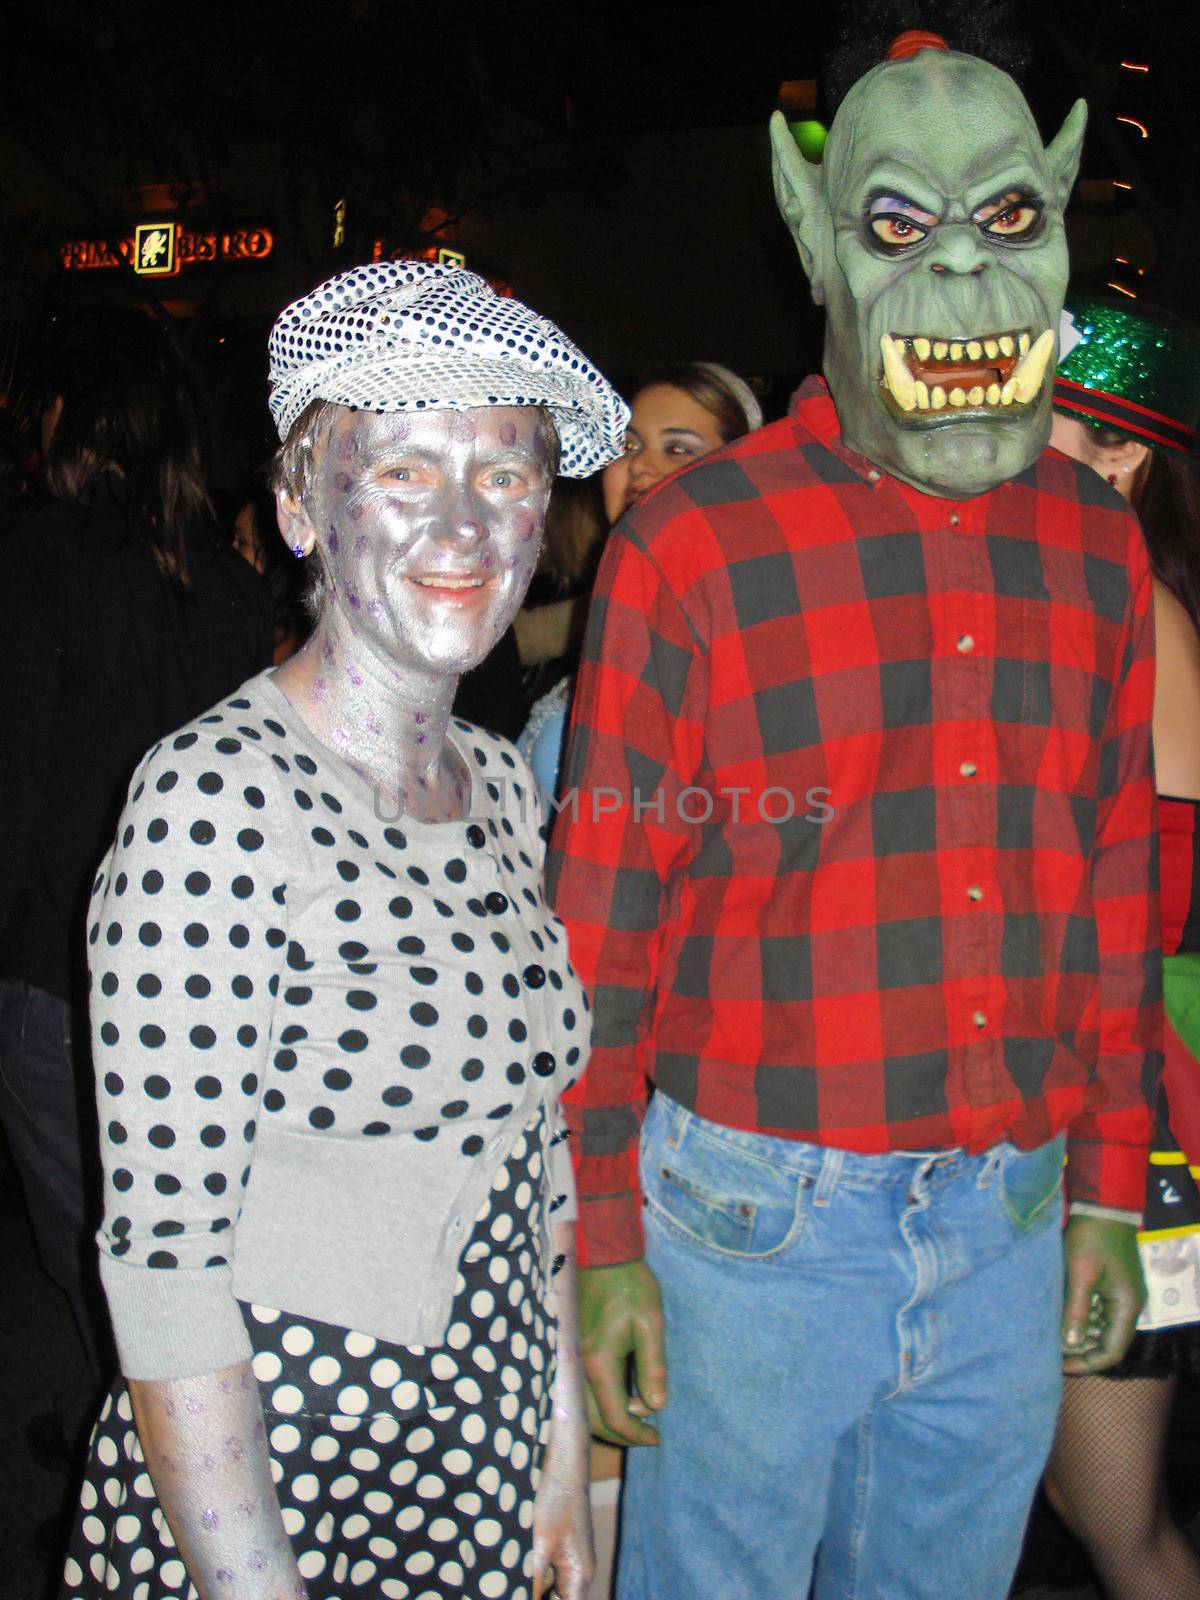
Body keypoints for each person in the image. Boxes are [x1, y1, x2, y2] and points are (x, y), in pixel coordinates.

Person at [548, 31, 1160, 1600]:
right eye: (900, 227)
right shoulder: (693, 546)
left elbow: (1113, 880)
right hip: (756, 1228)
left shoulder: (1093, 544)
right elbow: (600, 928)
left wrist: (1106, 1189)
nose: (965, 273)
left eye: (1011, 219)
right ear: (814, 231)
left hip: (1013, 1211)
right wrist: (600, 1239)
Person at [59, 260, 628, 1600]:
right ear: (301, 508)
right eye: (405, 468)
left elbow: (534, 1156)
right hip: (285, 1482)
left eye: (504, 472)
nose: (466, 521)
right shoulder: (215, 805)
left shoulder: (495, 781)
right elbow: (167, 1277)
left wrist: (561, 1461)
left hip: (478, 1445)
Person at [0, 309, 271, 1471]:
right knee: (177, 1238)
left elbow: (12, 778)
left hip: (58, 967)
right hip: (206, 979)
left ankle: (149, 1462)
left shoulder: (39, 561)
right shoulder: (235, 588)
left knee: (96, 1242)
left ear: (73, 419)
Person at [1041, 295, 1200, 1600]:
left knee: (1113, 1515)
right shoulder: (1087, 604)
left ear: (1120, 457)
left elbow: (1160, 915)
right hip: (1072, 1108)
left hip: (1137, 1124)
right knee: (1064, 1488)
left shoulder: (1141, 617)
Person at [518, 364, 762, 811]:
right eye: (628, 445)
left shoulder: (755, 634)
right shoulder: (615, 620)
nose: (641, 465)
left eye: (678, 448)